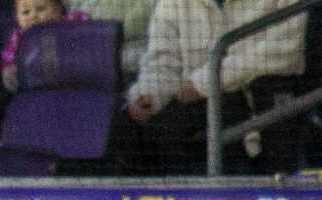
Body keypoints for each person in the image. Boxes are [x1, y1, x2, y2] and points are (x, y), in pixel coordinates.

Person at [124, 0, 305, 173]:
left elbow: (286, 53)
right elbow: (161, 63)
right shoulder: (171, 4)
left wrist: (202, 83)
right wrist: (148, 94)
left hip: (265, 98)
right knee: (146, 127)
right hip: (200, 107)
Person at [2, 0, 65, 88]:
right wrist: (11, 66)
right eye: (26, 12)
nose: (33, 16)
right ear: (17, 17)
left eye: (40, 9)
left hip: (65, 70)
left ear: (58, 11)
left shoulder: (67, 25)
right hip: (34, 74)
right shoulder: (19, 36)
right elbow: (8, 55)